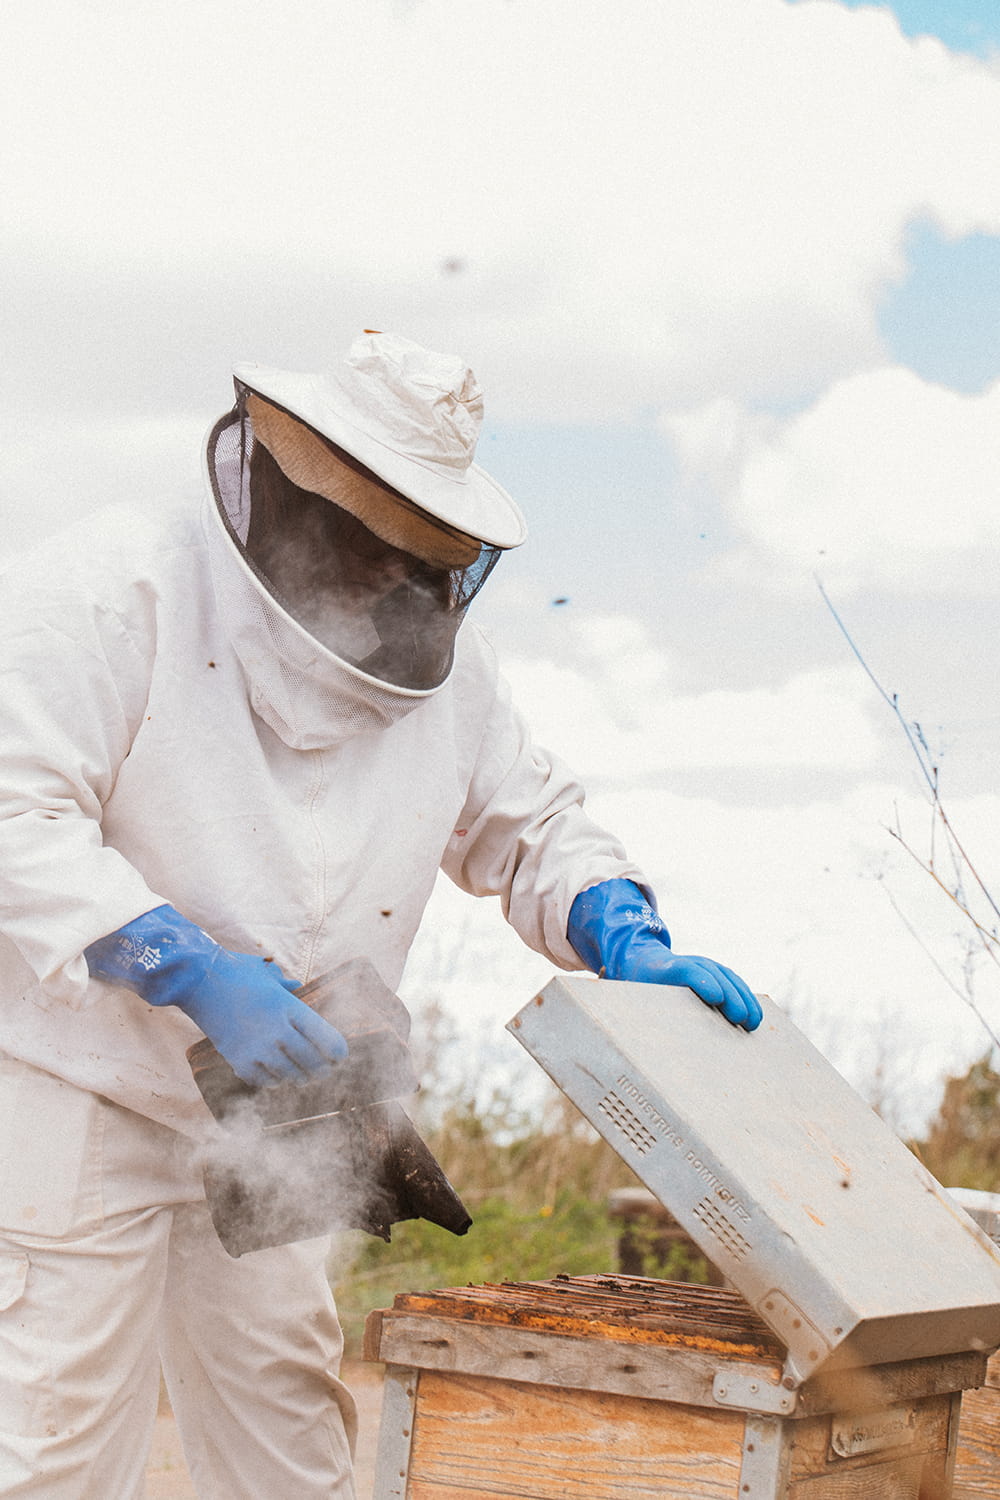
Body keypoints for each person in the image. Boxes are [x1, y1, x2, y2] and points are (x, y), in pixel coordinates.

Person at [0, 330, 761, 1497]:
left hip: (281, 1109)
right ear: (307, 503)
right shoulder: (117, 584)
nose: (399, 585)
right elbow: (13, 811)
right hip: (80, 1090)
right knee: (56, 1442)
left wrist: (622, 933)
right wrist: (180, 962)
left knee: (289, 1437)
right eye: (379, 548)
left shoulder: (450, 675)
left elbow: (531, 821)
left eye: (427, 561)